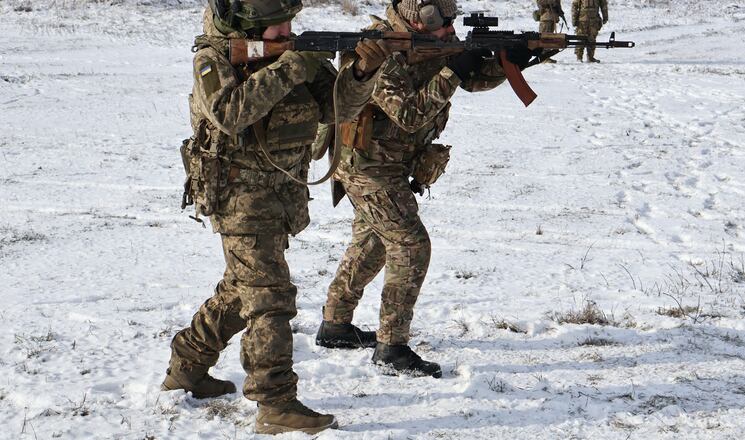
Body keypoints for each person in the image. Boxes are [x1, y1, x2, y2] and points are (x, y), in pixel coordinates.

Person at [160, 0, 388, 434]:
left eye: (288, 24)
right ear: (246, 28)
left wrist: (361, 72)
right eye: (276, 27)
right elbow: (229, 114)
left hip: (279, 196)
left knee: (240, 291)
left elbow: (337, 108)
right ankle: (275, 402)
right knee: (270, 297)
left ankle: (186, 366)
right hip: (239, 198)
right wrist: (291, 67)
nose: (287, 32)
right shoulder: (213, 59)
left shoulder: (292, 55)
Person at [315, 0, 534, 378]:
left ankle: (335, 324)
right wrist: (455, 69)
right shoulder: (378, 50)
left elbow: (473, 79)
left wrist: (511, 62)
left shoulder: (431, 44)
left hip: (391, 164)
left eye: (450, 23)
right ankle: (392, 347)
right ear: (417, 20)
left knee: (372, 244)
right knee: (410, 245)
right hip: (366, 168)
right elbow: (409, 113)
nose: (449, 31)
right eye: (441, 23)